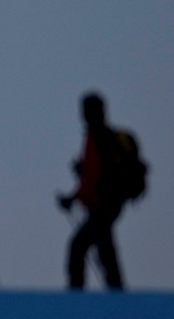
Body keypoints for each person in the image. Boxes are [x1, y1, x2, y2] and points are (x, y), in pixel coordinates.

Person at [57, 92, 127, 290]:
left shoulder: (94, 137)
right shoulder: (106, 136)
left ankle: (77, 297)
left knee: (78, 248)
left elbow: (92, 178)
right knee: (106, 250)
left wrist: (72, 198)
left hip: (100, 205)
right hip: (110, 204)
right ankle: (119, 296)